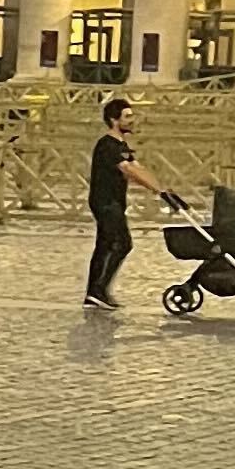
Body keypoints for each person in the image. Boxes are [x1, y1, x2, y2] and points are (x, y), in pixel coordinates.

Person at [85, 92, 169, 309]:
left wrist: (163, 190)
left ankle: (94, 294)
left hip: (114, 201)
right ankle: (99, 290)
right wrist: (157, 190)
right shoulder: (107, 145)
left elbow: (138, 168)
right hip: (105, 201)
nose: (133, 120)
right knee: (123, 243)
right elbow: (129, 170)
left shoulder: (121, 146)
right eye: (127, 116)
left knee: (104, 245)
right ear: (115, 120)